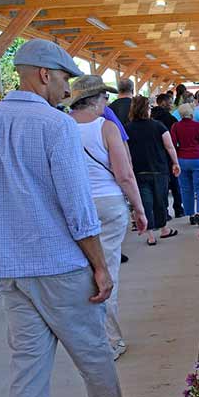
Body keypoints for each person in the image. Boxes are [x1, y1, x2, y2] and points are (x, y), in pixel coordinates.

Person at [0, 39, 143, 397]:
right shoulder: (54, 125)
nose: (67, 89)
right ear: (43, 74)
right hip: (59, 264)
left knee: (26, 371)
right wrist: (100, 265)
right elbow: (77, 208)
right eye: (63, 78)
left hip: (10, 270)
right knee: (92, 351)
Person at [67, 75, 148, 361]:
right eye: (104, 98)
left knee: (83, 274)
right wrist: (139, 209)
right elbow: (124, 174)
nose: (106, 103)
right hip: (108, 204)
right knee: (107, 270)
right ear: (96, 99)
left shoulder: (60, 127)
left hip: (74, 206)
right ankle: (110, 341)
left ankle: (87, 338)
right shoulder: (107, 127)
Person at [126, 96, 181, 245]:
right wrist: (175, 163)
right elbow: (170, 146)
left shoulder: (127, 129)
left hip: (138, 171)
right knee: (160, 201)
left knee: (145, 203)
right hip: (159, 170)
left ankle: (150, 236)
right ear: (146, 109)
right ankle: (164, 229)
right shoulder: (158, 126)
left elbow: (125, 152)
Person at [171, 103, 199, 226]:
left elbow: (173, 144)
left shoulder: (175, 126)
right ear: (192, 114)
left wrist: (176, 158)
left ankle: (191, 214)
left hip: (182, 159)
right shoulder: (198, 126)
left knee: (186, 188)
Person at [150, 93, 185, 219]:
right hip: (170, 154)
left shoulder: (151, 121)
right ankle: (178, 209)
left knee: (161, 185)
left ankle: (164, 211)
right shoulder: (172, 120)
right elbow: (176, 140)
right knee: (175, 182)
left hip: (155, 156)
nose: (171, 105)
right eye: (170, 102)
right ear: (164, 103)